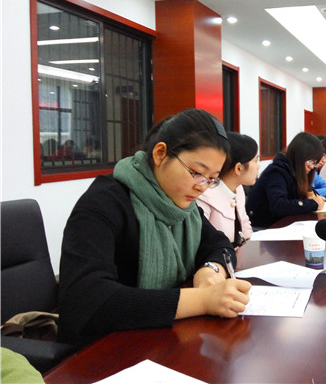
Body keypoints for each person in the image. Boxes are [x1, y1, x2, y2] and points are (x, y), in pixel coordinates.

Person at [57, 109, 251, 347]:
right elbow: (88, 301)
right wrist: (202, 300)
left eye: (212, 179)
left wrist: (210, 272)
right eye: (197, 173)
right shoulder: (104, 204)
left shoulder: (185, 208)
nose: (202, 187)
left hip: (162, 339)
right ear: (160, 154)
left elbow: (219, 244)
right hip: (101, 348)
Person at [246, 132, 326, 228]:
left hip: (283, 224)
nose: (312, 166)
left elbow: (307, 192)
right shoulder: (277, 172)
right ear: (299, 156)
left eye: (315, 163)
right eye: (310, 161)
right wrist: (313, 203)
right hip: (264, 227)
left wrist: (311, 194)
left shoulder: (296, 171)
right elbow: (279, 206)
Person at [197, 132, 259, 248]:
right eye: (256, 160)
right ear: (238, 168)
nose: (258, 166)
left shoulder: (238, 189)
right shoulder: (204, 196)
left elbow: (244, 224)